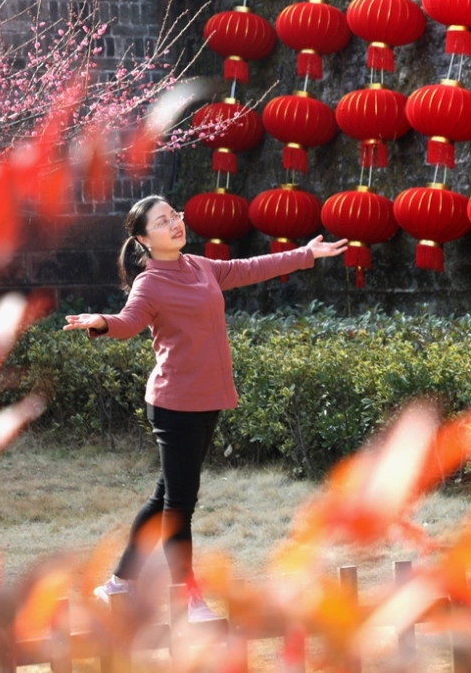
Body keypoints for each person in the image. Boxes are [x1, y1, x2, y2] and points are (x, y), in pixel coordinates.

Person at [63, 194, 346, 621]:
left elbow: (249, 268)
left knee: (165, 498)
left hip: (206, 400)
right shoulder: (150, 282)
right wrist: (102, 322)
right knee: (180, 503)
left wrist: (305, 254)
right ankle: (187, 597)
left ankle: (119, 582)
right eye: (162, 222)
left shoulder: (199, 265)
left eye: (174, 216)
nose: (175, 224)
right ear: (143, 238)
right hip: (175, 405)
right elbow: (129, 321)